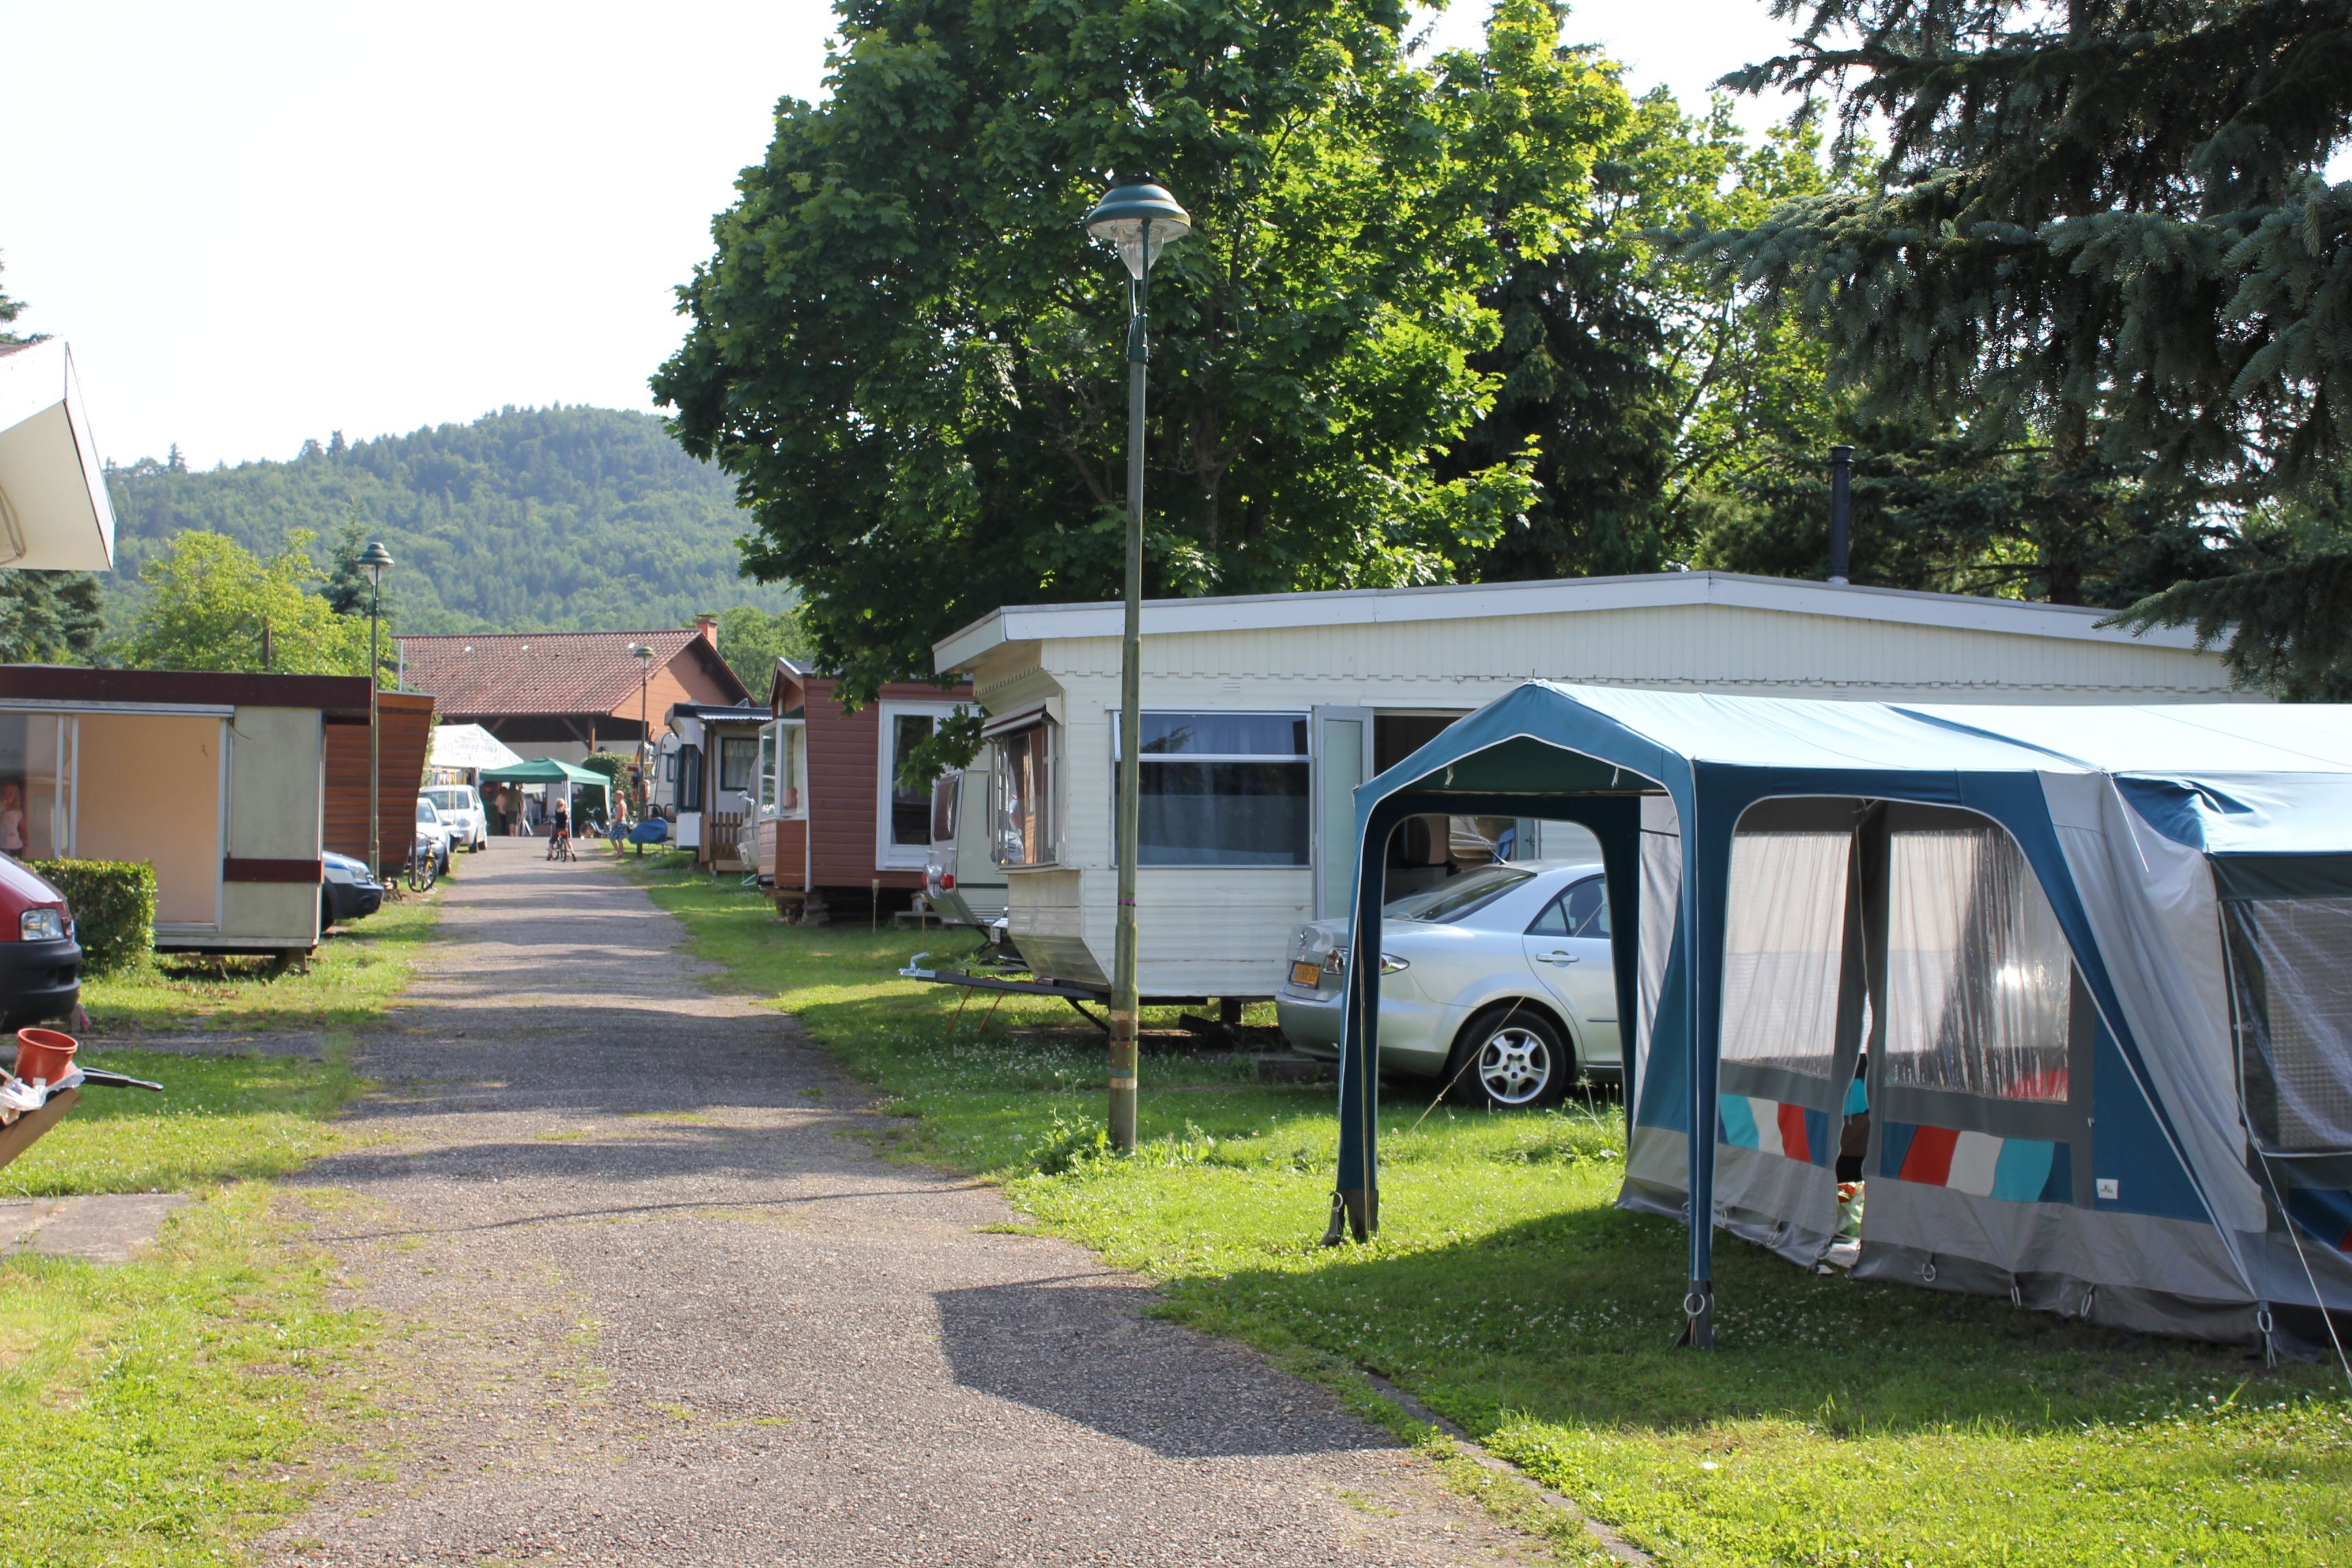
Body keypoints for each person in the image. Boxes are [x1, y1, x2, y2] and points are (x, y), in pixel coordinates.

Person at [0, 781, 22, 856]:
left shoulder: (18, 813)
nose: (7, 796)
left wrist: (24, 842)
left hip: (14, 845)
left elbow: (23, 829)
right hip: (2, 844)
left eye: (10, 794)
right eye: (5, 793)